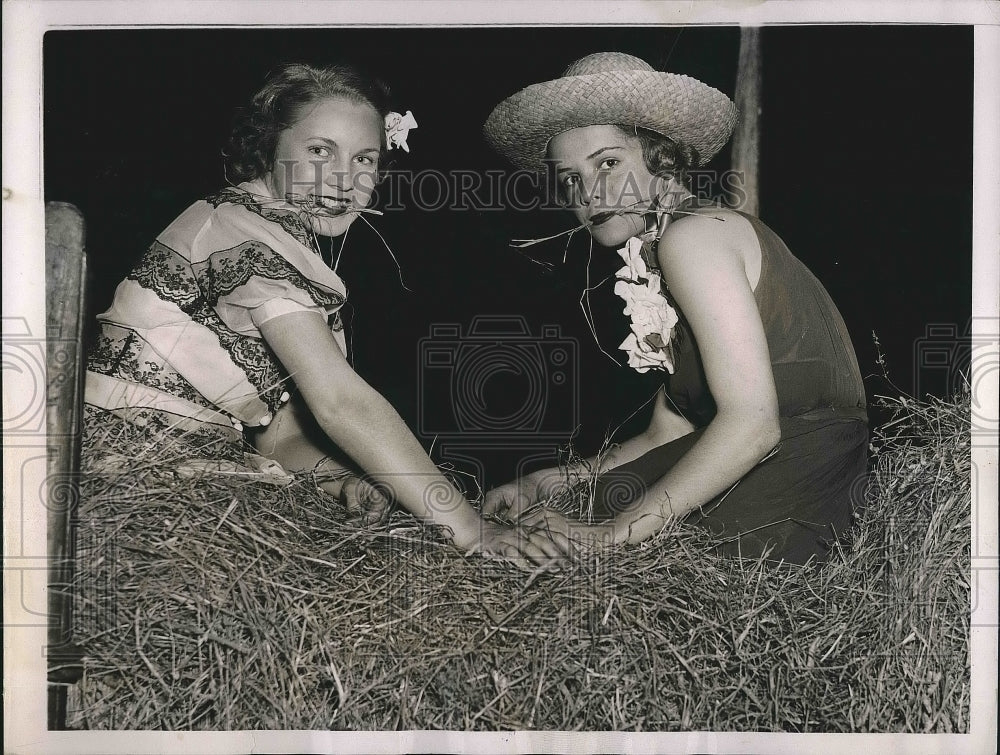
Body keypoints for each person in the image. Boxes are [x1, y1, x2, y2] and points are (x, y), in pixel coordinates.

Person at [83, 62, 560, 566]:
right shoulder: (241, 235)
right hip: (129, 467)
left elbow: (278, 434)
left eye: (365, 159)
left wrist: (344, 478)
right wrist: (467, 527)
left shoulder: (272, 240)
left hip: (174, 465)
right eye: (319, 151)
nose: (343, 180)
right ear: (267, 148)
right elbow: (341, 405)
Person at [481, 52, 869, 564]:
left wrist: (610, 535)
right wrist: (545, 482)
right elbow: (671, 429)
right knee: (539, 526)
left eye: (608, 162)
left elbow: (754, 426)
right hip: (803, 472)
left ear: (660, 156)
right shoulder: (677, 244)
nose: (590, 193)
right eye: (570, 178)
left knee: (551, 554)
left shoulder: (692, 241)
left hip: (793, 483)